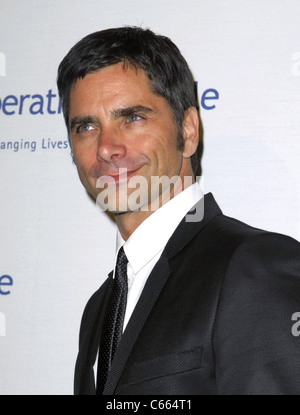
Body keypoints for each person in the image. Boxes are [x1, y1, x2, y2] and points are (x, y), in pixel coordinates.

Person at [57, 26, 300, 395]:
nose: (107, 147)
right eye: (87, 126)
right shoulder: (100, 307)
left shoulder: (252, 266)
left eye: (133, 117)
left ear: (187, 131)